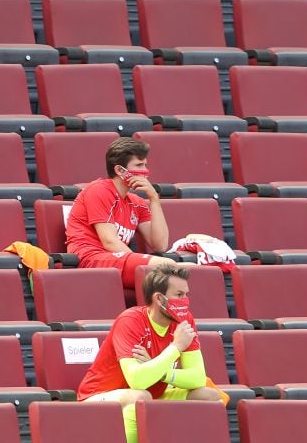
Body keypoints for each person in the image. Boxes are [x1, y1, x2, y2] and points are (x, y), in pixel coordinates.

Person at [77, 265, 223, 443]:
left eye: (186, 294)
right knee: (140, 397)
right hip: (98, 396)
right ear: (159, 298)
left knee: (209, 396)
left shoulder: (185, 320)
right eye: (179, 295)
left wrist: (160, 371)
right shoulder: (130, 321)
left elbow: (198, 378)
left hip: (152, 394)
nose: (185, 301)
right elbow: (137, 381)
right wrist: (176, 347)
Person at [66, 138, 174, 288]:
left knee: (190, 269)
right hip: (91, 259)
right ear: (119, 170)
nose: (145, 171)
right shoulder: (99, 190)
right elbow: (109, 241)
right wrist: (139, 263)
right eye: (139, 165)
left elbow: (160, 245)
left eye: (145, 165)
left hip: (116, 260)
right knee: (168, 268)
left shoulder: (137, 202)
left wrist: (154, 199)